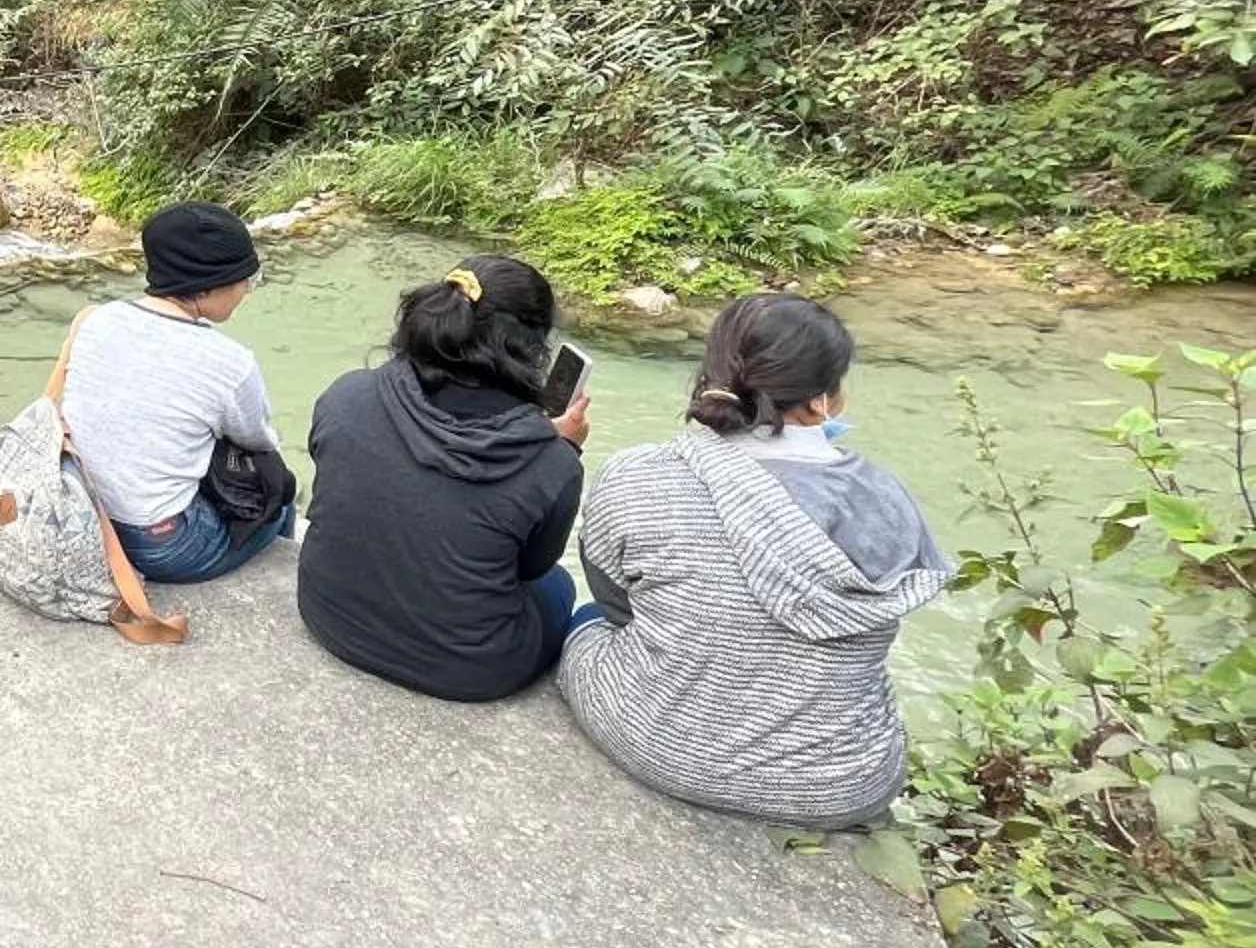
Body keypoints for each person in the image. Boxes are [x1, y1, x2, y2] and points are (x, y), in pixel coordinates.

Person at [561, 293, 951, 829]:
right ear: (822, 401)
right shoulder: (886, 501)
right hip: (837, 786)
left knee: (582, 619)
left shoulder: (637, 474)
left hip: (652, 741)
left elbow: (613, 601)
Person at [296, 254, 593, 700]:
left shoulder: (348, 392)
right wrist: (558, 444)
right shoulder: (553, 462)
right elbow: (531, 568)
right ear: (532, 347)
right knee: (560, 584)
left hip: (329, 615)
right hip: (468, 670)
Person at [62, 203, 295, 584]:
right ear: (206, 285)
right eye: (246, 280)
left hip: (85, 514)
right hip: (162, 544)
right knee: (278, 496)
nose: (248, 292)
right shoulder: (229, 362)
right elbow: (258, 439)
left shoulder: (98, 320)